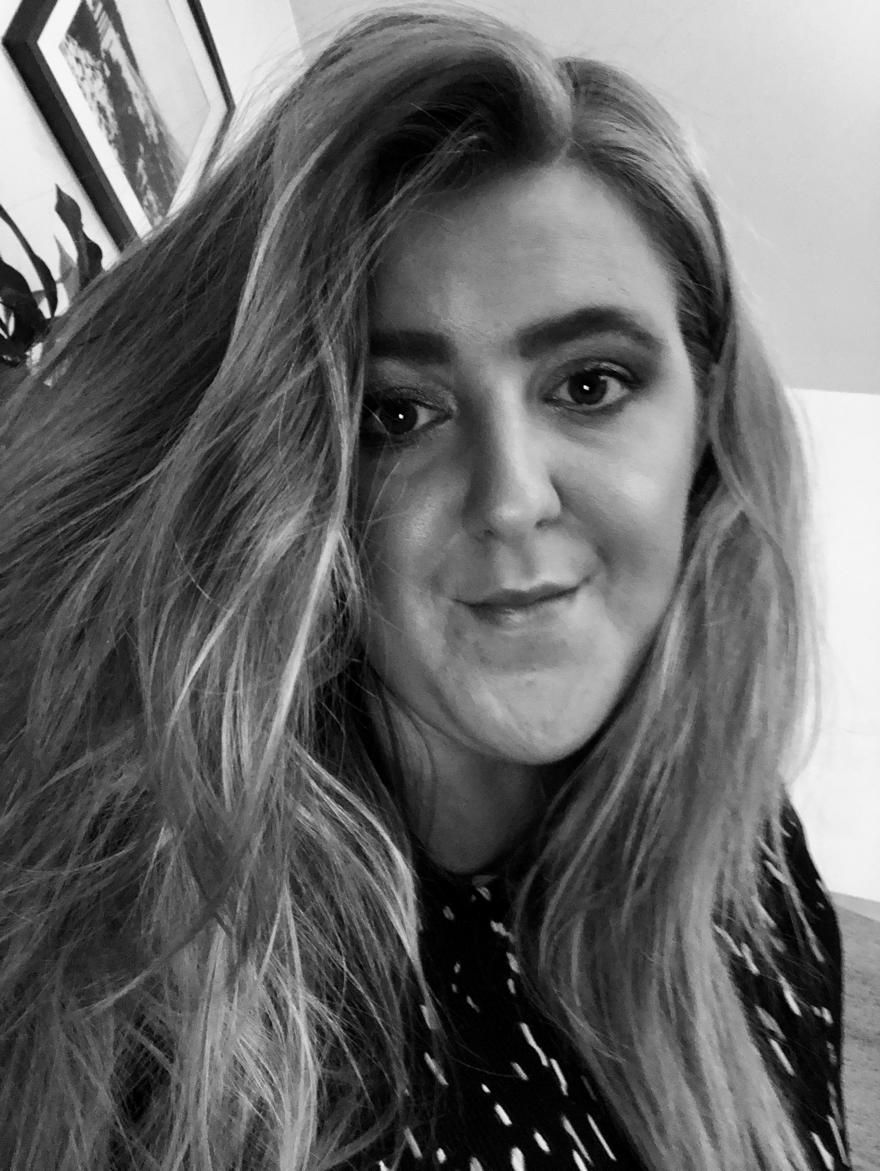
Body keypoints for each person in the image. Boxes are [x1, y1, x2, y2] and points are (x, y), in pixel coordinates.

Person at [0, 5, 852, 1170]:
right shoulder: (178, 1004)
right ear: (292, 475)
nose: (511, 498)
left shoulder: (745, 845)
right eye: (395, 414)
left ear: (705, 422)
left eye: (589, 385)